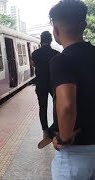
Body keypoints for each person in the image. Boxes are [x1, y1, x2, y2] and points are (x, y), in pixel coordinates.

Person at [49, 0, 95, 179]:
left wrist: (64, 138)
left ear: (55, 32)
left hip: (76, 154)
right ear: (84, 25)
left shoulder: (62, 60)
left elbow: (67, 106)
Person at [31, 31, 60, 149]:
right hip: (53, 84)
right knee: (57, 106)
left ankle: (45, 131)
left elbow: (33, 64)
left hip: (40, 84)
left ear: (41, 40)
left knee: (42, 107)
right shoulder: (56, 54)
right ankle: (56, 129)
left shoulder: (35, 53)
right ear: (51, 40)